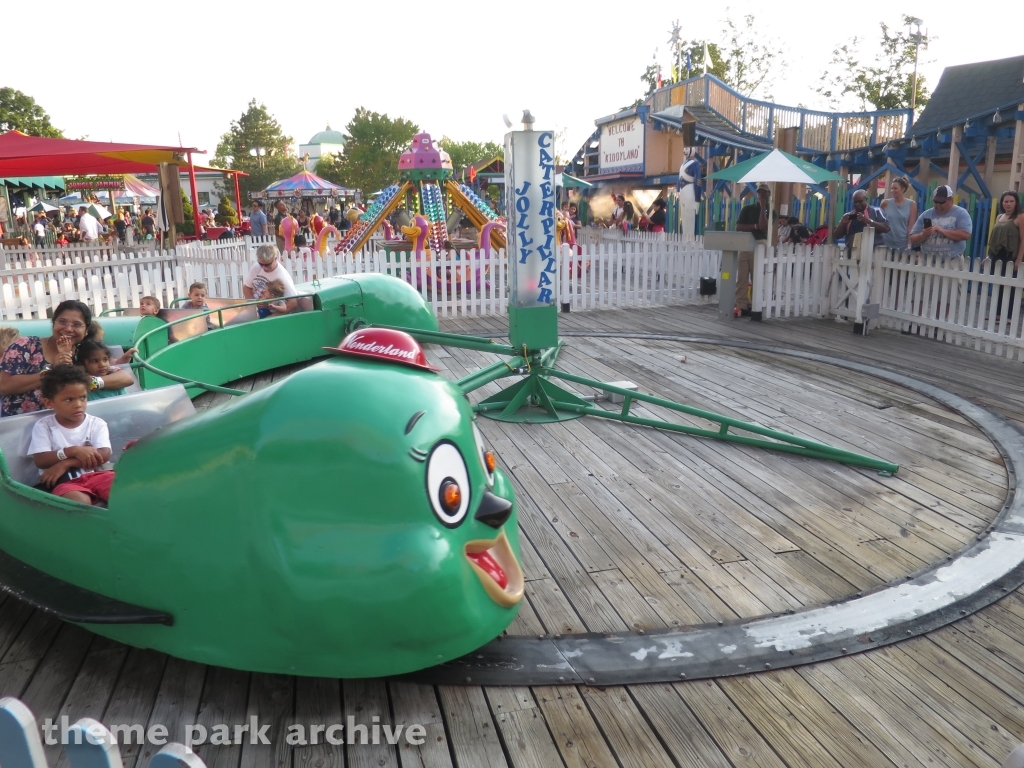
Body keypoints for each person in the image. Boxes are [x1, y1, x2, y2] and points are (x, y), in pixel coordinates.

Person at [0, 300, 134, 417]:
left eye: (77, 324)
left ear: (86, 330)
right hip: (19, 425)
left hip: (68, 426)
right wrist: (52, 370)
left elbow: (125, 378)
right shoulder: (26, 346)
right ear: (53, 323)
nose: (68, 329)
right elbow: (4, 386)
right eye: (62, 322)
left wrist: (92, 382)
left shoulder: (84, 353)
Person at [28, 364, 114, 506]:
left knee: (121, 492)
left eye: (83, 397)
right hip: (64, 480)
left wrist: (66, 463)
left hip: (97, 475)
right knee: (80, 502)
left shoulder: (96, 423)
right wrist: (72, 451)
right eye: (69, 400)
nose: (78, 404)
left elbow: (104, 455)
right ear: (49, 403)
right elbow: (41, 460)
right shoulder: (44, 426)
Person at [909, 185, 973, 265]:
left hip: (952, 261)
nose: (938, 204)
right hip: (928, 261)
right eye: (935, 201)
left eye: (942, 202)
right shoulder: (926, 214)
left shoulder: (961, 213)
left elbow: (965, 235)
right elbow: (912, 238)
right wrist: (923, 235)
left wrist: (941, 230)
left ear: (951, 200)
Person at [733, 185, 771, 316]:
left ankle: (756, 304)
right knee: (742, 276)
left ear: (768, 194)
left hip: (760, 242)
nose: (761, 195)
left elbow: (764, 227)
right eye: (759, 192)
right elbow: (739, 227)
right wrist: (755, 226)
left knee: (757, 275)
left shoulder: (771, 211)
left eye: (764, 193)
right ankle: (741, 304)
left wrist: (763, 209)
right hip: (745, 242)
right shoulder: (747, 208)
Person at [986, 190, 1024, 321]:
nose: (1008, 204)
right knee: (998, 285)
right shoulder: (999, 217)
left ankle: (1008, 316)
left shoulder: (1020, 217)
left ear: (1016, 202)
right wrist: (988, 256)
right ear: (1002, 203)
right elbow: (994, 239)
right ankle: (997, 313)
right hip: (997, 255)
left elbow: (1023, 240)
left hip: (1011, 255)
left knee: (1011, 287)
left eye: (1011, 201)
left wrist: (1018, 260)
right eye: (1006, 201)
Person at [243, 244, 298, 316]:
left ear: (275, 259)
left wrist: (270, 318)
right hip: (256, 309)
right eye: (261, 264)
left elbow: (293, 303)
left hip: (271, 313)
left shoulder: (282, 276)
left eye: (267, 264)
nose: (264, 268)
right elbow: (247, 287)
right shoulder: (256, 267)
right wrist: (253, 304)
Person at [880, 177, 917, 252]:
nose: (892, 191)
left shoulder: (911, 204)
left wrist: (909, 245)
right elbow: (880, 222)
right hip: (886, 243)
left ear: (903, 189)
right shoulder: (885, 203)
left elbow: (911, 226)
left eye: (895, 188)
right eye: (891, 188)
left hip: (902, 244)